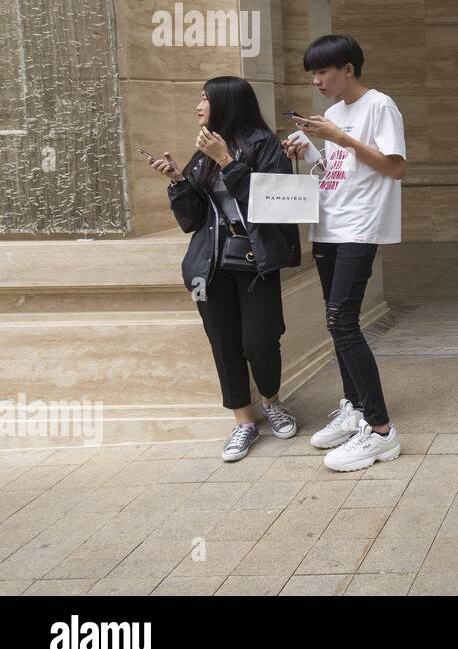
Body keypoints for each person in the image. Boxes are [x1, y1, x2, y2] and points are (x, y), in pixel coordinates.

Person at [151, 76, 301, 461]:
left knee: (260, 341)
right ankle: (243, 421)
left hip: (255, 262)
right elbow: (193, 219)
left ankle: (272, 401)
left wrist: (227, 161)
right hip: (210, 265)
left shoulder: (264, 145)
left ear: (226, 103)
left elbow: (276, 205)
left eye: (204, 99)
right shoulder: (203, 151)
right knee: (224, 342)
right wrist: (179, 181)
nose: (198, 106)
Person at [283, 34, 407, 472]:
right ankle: (354, 408)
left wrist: (339, 136)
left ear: (348, 68)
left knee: (342, 320)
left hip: (360, 226)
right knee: (334, 319)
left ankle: (380, 431)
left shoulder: (379, 106)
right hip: (328, 224)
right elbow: (338, 171)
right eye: (313, 73)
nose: (317, 80)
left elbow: (394, 167)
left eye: (323, 71)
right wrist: (312, 150)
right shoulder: (333, 114)